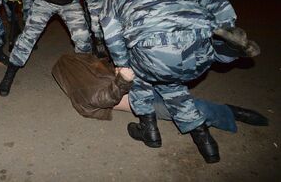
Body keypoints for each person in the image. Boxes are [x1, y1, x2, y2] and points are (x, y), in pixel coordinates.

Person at [99, 0, 256, 163]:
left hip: (157, 51)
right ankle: (205, 140)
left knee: (137, 74)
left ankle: (149, 130)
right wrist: (226, 22)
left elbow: (112, 35)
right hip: (198, 47)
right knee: (171, 83)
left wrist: (122, 65)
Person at [52, 52, 269, 132]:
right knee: (188, 110)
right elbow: (98, 98)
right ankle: (233, 112)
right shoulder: (76, 76)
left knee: (180, 97)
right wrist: (123, 80)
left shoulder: (86, 66)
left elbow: (104, 64)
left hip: (137, 87)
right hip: (132, 96)